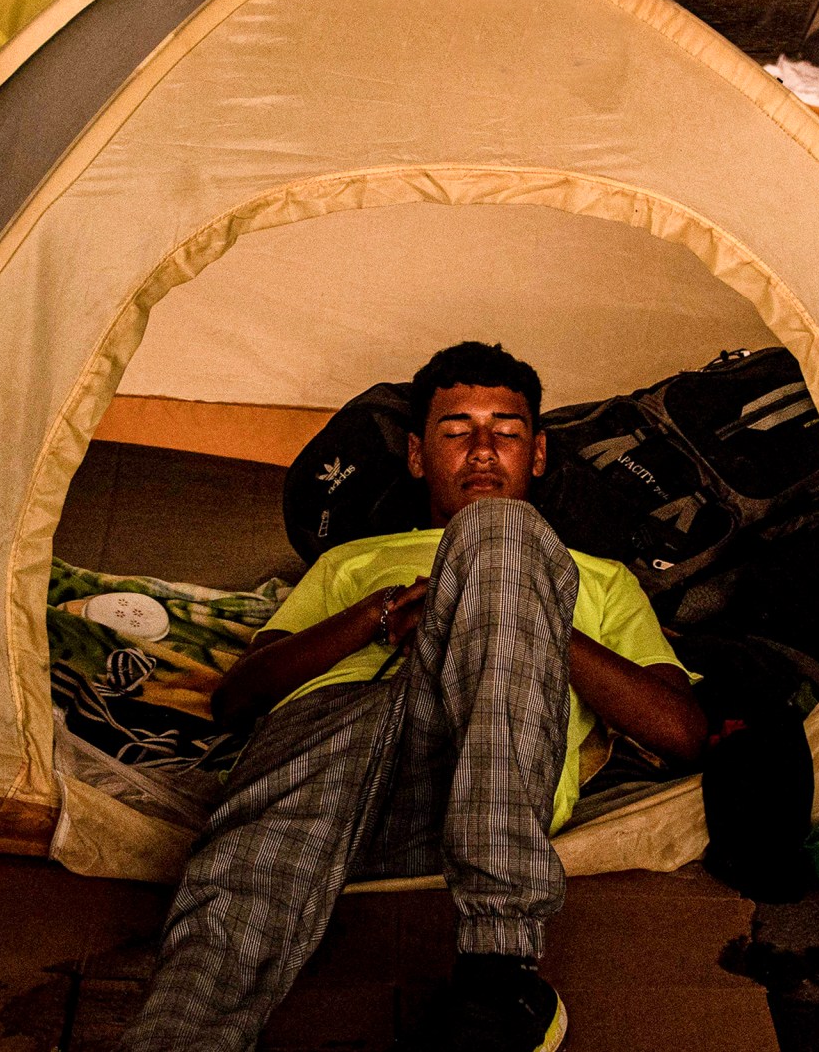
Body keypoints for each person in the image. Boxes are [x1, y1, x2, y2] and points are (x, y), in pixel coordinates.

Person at [118, 343, 706, 1052]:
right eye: (457, 431)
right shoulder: (351, 563)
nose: (484, 450)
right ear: (420, 455)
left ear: (540, 454)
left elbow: (682, 731)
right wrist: (380, 612)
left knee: (500, 531)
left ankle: (496, 977)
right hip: (321, 756)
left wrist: (517, 611)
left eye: (508, 431)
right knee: (219, 935)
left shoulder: (599, 578)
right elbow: (235, 701)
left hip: (476, 780)